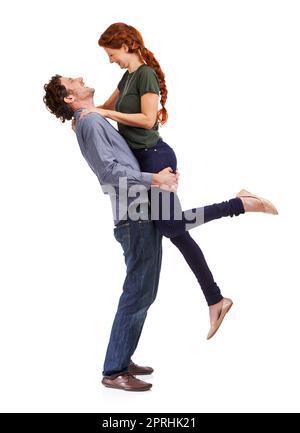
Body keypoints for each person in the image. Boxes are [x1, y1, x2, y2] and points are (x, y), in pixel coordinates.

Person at [80, 22, 278, 340]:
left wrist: (108, 116)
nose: (110, 59)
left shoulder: (145, 75)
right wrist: (81, 117)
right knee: (175, 231)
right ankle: (215, 299)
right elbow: (102, 108)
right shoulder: (128, 77)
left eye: (111, 53)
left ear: (126, 45)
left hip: (156, 157)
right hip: (145, 162)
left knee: (173, 228)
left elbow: (147, 119)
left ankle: (240, 204)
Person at [43, 74, 178, 392]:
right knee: (138, 292)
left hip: (138, 212)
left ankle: (123, 356)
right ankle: (114, 369)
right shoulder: (89, 123)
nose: (80, 77)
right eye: (72, 80)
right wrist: (154, 180)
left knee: (144, 291)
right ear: (69, 97)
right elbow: (109, 171)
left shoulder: (91, 119)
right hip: (134, 215)